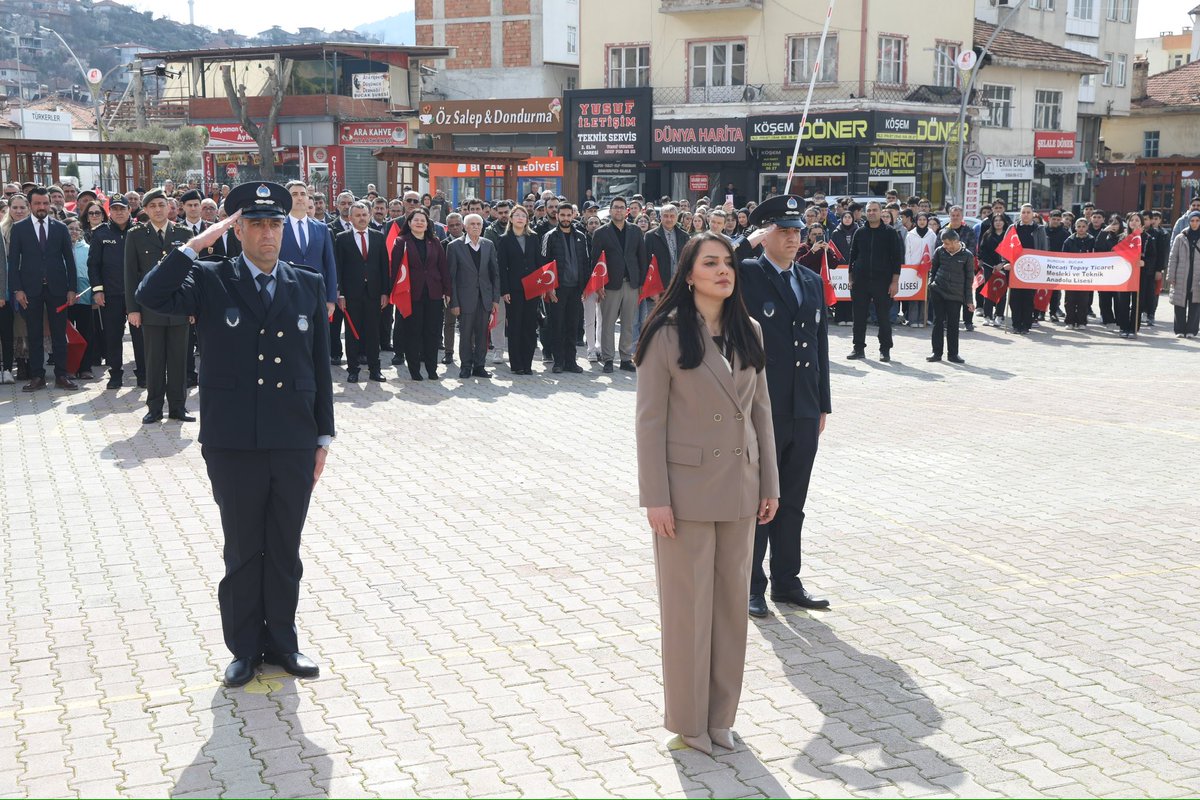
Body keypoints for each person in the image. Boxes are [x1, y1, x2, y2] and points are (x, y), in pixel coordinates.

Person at [136, 182, 334, 688]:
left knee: (285, 547)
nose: (268, 234)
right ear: (238, 230)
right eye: (256, 224)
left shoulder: (306, 283)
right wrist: (195, 245)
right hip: (234, 439)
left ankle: (283, 642)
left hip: (292, 437)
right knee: (244, 548)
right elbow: (151, 296)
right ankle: (245, 648)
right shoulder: (210, 277)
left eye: (275, 224)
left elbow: (319, 363)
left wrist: (324, 437)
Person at [635, 232, 778, 756]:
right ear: (689, 275)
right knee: (688, 612)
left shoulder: (749, 330)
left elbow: (762, 412)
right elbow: (649, 423)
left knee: (730, 612)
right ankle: (689, 722)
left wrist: (770, 484)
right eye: (711, 263)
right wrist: (655, 497)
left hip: (741, 488)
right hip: (685, 494)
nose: (723, 271)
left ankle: (721, 719)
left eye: (729, 263)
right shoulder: (666, 334)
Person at [739, 195, 831, 618]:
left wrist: (823, 403)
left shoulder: (809, 280)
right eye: (784, 231)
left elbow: (819, 345)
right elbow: (697, 271)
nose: (795, 238)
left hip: (804, 406)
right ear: (766, 233)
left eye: (798, 230)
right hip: (764, 406)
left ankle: (787, 581)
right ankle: (750, 584)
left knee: (793, 500)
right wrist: (748, 241)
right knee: (760, 500)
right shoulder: (747, 274)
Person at [124, 188, 193, 422]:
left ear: (169, 207)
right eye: (152, 206)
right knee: (153, 360)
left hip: (179, 307)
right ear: (145, 209)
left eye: (161, 205)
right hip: (150, 309)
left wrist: (192, 306)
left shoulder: (184, 233)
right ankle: (154, 407)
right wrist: (133, 308)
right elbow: (130, 274)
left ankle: (178, 407)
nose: (157, 209)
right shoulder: (135, 235)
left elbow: (192, 272)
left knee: (178, 360)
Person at [7, 186, 79, 391]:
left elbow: (70, 260)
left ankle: (61, 375)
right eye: (37, 203)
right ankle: (37, 377)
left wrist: (72, 288)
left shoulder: (60, 228)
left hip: (58, 288)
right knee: (34, 333)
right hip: (30, 290)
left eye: (45, 203)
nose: (42, 207)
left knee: (59, 334)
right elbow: (14, 262)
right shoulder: (19, 228)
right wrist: (17, 290)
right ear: (30, 205)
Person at [88, 196, 144, 389]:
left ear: (129, 210)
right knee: (112, 336)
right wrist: (98, 290)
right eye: (115, 209)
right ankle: (115, 375)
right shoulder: (100, 233)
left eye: (122, 208)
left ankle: (143, 374)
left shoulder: (140, 231)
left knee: (140, 336)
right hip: (111, 294)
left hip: (137, 295)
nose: (119, 212)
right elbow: (93, 265)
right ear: (109, 212)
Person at [333, 201, 389, 383]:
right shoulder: (342, 238)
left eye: (364, 215)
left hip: (373, 293)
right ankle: (353, 369)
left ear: (370, 216)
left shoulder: (378, 237)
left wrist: (385, 292)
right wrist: (340, 293)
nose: (362, 218)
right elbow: (338, 267)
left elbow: (384, 266)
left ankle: (375, 369)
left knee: (373, 332)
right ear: (350, 218)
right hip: (351, 294)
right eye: (357, 215)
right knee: (352, 333)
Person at [393, 207, 450, 381]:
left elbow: (443, 268)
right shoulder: (401, 242)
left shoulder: (435, 242)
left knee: (432, 333)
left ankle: (432, 369)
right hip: (411, 294)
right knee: (413, 332)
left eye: (422, 220)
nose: (419, 223)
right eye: (416, 220)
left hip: (434, 293)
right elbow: (394, 269)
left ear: (427, 224)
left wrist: (447, 290)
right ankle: (414, 369)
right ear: (409, 223)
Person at [592, 196, 648, 373]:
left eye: (621, 207)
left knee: (628, 323)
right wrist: (598, 285)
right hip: (609, 285)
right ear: (610, 210)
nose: (618, 210)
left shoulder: (635, 231)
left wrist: (641, 283)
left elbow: (642, 258)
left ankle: (625, 358)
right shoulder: (601, 232)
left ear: (627, 211)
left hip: (631, 284)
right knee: (608, 323)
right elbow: (595, 261)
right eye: (615, 207)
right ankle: (608, 359)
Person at [847, 201, 902, 361]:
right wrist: (850, 278)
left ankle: (885, 349)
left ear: (880, 211)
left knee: (883, 317)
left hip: (882, 282)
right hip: (860, 281)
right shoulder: (859, 232)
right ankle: (858, 348)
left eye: (874, 210)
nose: (871, 213)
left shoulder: (890, 233)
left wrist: (894, 282)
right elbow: (852, 256)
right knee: (859, 317)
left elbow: (897, 259)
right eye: (869, 210)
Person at [446, 213, 500, 379]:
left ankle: (479, 366)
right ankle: (466, 366)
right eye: (472, 224)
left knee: (483, 334)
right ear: (465, 226)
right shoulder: (454, 246)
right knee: (466, 334)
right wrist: (454, 302)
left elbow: (495, 274)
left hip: (485, 297)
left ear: (482, 226)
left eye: (478, 224)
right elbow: (451, 277)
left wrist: (495, 299)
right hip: (464, 298)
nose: (476, 226)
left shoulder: (488, 244)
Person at [540, 203, 589, 374]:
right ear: (557, 216)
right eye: (563, 215)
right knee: (557, 325)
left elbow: (585, 262)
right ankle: (558, 362)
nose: (566, 218)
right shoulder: (549, 236)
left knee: (572, 326)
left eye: (569, 215)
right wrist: (549, 288)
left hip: (576, 289)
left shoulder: (581, 236)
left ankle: (571, 361)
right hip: (557, 290)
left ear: (573, 215)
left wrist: (584, 287)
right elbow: (544, 264)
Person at [496, 205, 542, 375]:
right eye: (517, 215)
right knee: (515, 325)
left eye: (523, 215)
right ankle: (516, 364)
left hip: (532, 287)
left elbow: (539, 263)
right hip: (513, 289)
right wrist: (504, 290)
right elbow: (502, 267)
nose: (520, 218)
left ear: (527, 220)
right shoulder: (504, 239)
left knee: (529, 326)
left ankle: (527, 363)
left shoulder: (533, 237)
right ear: (511, 219)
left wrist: (541, 285)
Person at [926, 229, 974, 364]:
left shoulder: (967, 256)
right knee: (938, 322)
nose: (945, 246)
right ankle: (936, 353)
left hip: (956, 294)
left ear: (956, 241)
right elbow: (933, 270)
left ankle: (953, 354)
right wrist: (931, 284)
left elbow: (969, 280)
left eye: (947, 243)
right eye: (943, 243)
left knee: (953, 324)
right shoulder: (939, 251)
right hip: (938, 291)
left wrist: (969, 300)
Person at [1007, 204, 1048, 335]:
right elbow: (1006, 247)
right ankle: (1016, 324)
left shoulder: (1039, 229)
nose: (1025, 215)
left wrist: (1042, 265)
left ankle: (1026, 325)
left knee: (1028, 298)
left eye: (1028, 212)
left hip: (1032, 269)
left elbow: (1043, 248)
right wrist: (1006, 263)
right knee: (1015, 299)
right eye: (1023, 212)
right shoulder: (1013, 228)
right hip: (1015, 268)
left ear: (1032, 214)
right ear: (1020, 214)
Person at [66, 218, 96, 379]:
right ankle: (70, 367)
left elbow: (93, 273)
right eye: (70, 229)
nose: (74, 232)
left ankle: (85, 367)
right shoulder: (58, 249)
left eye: (77, 229)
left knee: (86, 333)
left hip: (84, 296)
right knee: (68, 335)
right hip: (65, 297)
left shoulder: (88, 249)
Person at [1167, 210, 1200, 338]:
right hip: (1181, 274)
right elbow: (1173, 257)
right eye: (1192, 220)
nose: (1194, 223)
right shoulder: (1180, 237)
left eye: (1197, 220)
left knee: (1195, 303)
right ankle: (1179, 329)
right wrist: (1171, 275)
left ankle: (1192, 330)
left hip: (1197, 275)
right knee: (1179, 303)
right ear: (1188, 221)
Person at [903, 212, 937, 327]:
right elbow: (907, 252)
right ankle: (913, 320)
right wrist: (909, 268)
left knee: (925, 295)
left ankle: (923, 319)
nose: (922, 222)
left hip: (927, 268)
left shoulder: (932, 235)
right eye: (920, 219)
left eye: (924, 219)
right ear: (916, 221)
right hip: (913, 268)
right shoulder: (910, 235)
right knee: (914, 294)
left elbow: (934, 251)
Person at [440, 213, 465, 364]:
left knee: (468, 323)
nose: (455, 228)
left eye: (457, 224)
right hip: (449, 290)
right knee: (449, 322)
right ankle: (448, 352)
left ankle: (469, 352)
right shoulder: (442, 244)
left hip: (467, 288)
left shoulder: (471, 241)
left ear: (463, 225)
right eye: (451, 225)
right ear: (447, 227)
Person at [1062, 218, 1096, 329]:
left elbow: (1096, 256)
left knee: (1083, 299)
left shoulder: (1092, 240)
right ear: (1075, 227)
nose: (1081, 229)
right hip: (1071, 275)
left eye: (1083, 226)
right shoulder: (1068, 241)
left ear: (1087, 227)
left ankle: (1082, 322)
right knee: (1070, 299)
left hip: (1086, 275)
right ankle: (1070, 321)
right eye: (1079, 226)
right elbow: (1063, 257)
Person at [977, 215, 1010, 327]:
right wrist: (993, 265)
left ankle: (999, 316)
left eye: (1000, 220)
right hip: (989, 267)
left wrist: (1002, 264)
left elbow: (1011, 252)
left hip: (1004, 267)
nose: (998, 223)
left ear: (1004, 222)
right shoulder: (987, 234)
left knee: (1002, 293)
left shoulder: (1008, 235)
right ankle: (987, 316)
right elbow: (983, 251)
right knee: (989, 292)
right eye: (996, 220)